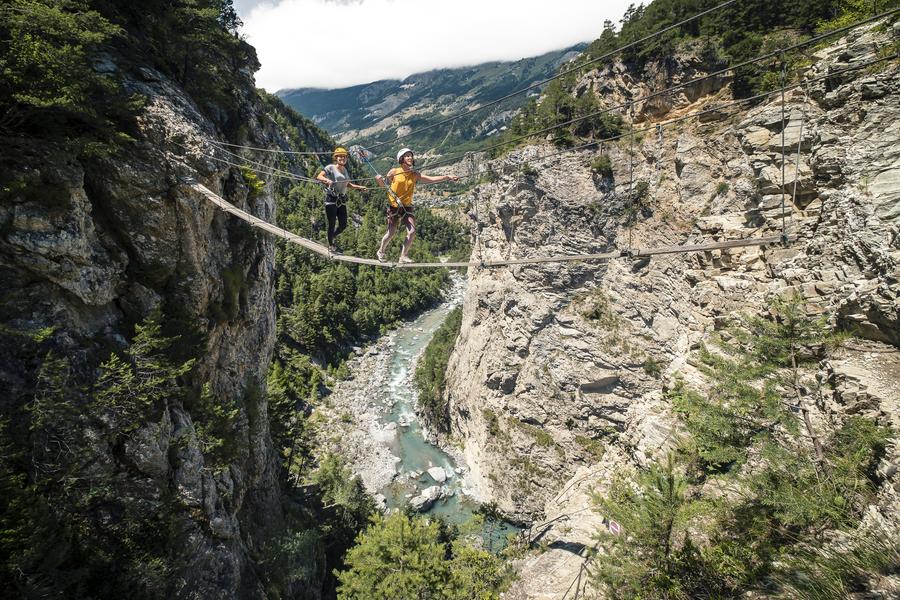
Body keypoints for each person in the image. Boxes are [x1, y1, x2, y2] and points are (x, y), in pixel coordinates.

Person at [375, 148, 457, 263]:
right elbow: (384, 185)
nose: (410, 157)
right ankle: (381, 251)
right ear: (401, 159)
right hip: (394, 207)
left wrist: (447, 177)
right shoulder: (394, 171)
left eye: (411, 156)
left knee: (412, 231)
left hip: (406, 206)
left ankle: (403, 256)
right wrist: (379, 180)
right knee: (391, 233)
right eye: (407, 156)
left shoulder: (414, 174)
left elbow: (431, 179)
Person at [316, 147, 368, 252]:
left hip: (341, 200)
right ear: (336, 158)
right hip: (331, 199)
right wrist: (327, 180)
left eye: (344, 157)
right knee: (332, 223)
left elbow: (347, 184)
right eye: (340, 156)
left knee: (343, 225)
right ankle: (331, 244)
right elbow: (319, 176)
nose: (342, 158)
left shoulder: (345, 170)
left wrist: (359, 187)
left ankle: (332, 236)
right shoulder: (330, 167)